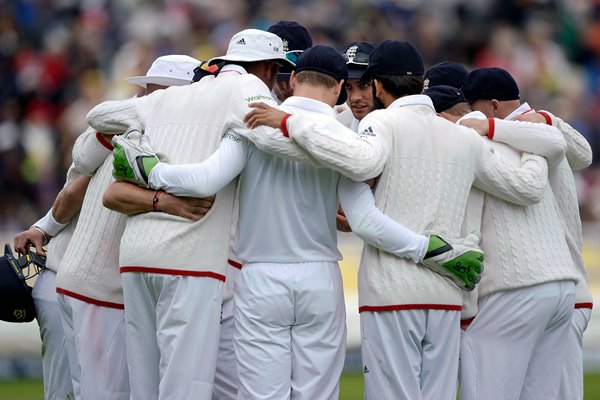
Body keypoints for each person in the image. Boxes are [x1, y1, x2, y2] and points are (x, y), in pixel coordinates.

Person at [108, 43, 487, 399]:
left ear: (292, 80)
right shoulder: (342, 137)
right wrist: (429, 250)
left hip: (259, 277)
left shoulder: (253, 124)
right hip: (320, 276)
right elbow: (365, 221)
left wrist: (153, 172)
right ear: (340, 87)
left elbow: (205, 179)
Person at [86, 29, 299, 400]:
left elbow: (98, 114)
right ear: (267, 69)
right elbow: (265, 148)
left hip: (136, 257)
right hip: (191, 258)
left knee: (144, 387)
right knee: (186, 387)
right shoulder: (250, 91)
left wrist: (142, 146)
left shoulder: (171, 97)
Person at [55, 54, 203, 400]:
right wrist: (173, 204)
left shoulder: (120, 125)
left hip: (87, 282)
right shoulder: (143, 130)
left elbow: (77, 173)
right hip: (99, 287)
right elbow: (110, 192)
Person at [458, 67, 590, 400]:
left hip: (544, 283)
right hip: (563, 284)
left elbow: (578, 152)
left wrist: (537, 119)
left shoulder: (534, 128)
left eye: (473, 108)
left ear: (493, 105)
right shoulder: (520, 131)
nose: (467, 116)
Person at [13, 169, 89, 400]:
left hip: (66, 280)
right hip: (69, 282)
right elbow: (73, 194)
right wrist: (44, 229)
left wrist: (43, 228)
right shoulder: (105, 141)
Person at [267, 20, 313, 104]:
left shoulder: (333, 107)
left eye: (295, 75)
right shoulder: (247, 103)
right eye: (278, 77)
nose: (286, 86)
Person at [336, 41, 376, 131]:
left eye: (364, 85)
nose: (355, 97)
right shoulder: (338, 126)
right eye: (347, 86)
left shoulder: (402, 126)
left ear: (380, 85)